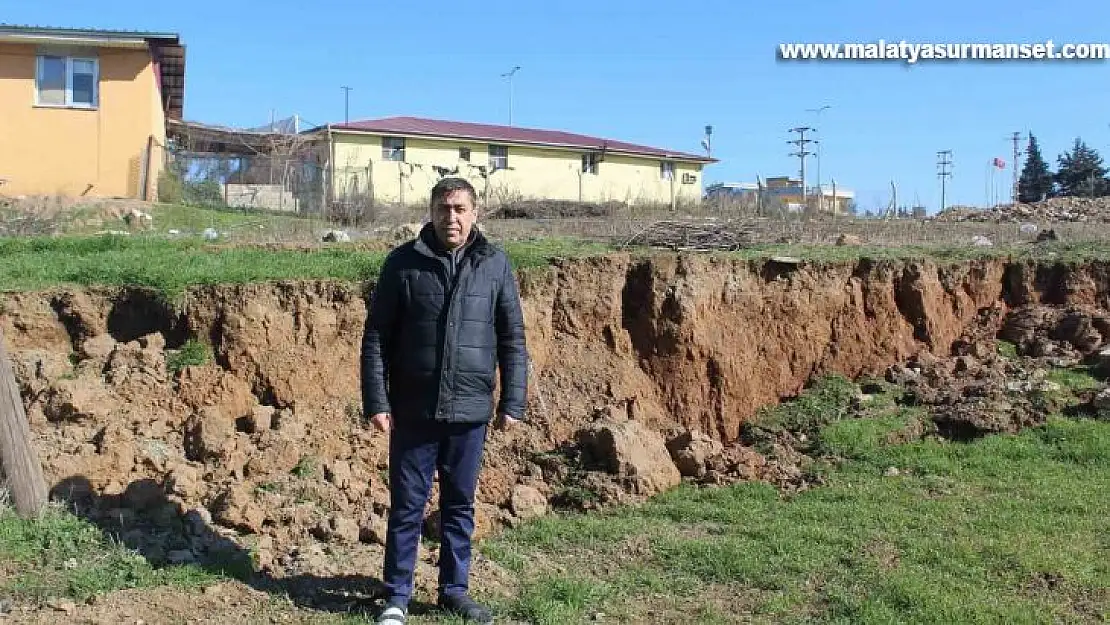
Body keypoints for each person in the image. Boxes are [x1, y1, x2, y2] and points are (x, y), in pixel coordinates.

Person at [361, 177, 529, 625]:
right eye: (442, 208)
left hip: (470, 411)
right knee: (407, 505)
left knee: (459, 505)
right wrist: (377, 401)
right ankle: (396, 595)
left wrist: (513, 400)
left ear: (475, 213)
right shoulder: (402, 264)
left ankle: (453, 591)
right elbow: (376, 337)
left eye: (459, 208)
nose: (450, 217)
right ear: (431, 211)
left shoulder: (495, 265)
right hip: (413, 409)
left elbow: (512, 338)